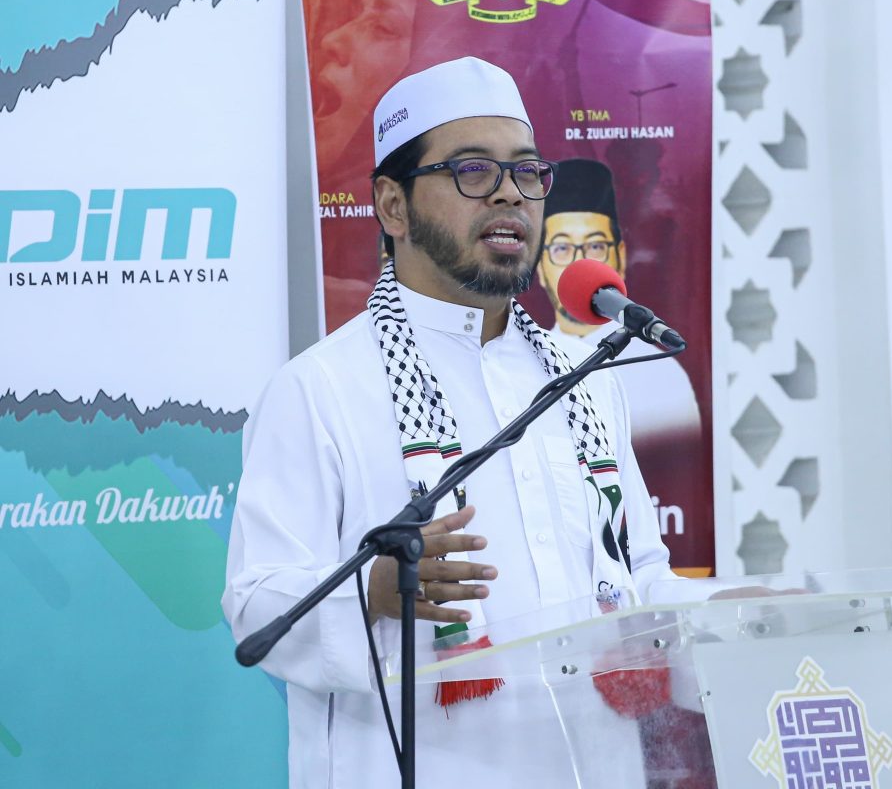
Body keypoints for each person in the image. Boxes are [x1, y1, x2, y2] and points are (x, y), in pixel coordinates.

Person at [222, 57, 686, 789]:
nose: (509, 193)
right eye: (473, 170)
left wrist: (747, 612)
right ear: (393, 206)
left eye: (527, 172)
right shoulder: (320, 390)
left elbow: (641, 579)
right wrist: (374, 590)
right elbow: (257, 609)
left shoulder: (583, 381)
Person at [535, 157, 701, 445]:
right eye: (561, 248)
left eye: (595, 246)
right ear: (540, 266)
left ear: (620, 256)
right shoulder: (521, 359)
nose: (579, 261)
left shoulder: (663, 375)